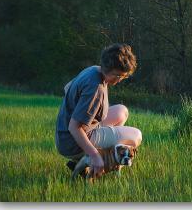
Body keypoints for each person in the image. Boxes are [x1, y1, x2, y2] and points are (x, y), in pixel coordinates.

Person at [55, 43, 142, 179]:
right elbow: (74, 127)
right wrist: (95, 155)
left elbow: (67, 88)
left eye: (123, 77)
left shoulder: (94, 70)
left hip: (65, 135)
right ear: (110, 69)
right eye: (118, 76)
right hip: (72, 142)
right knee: (136, 136)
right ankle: (96, 160)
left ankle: (96, 157)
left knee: (121, 111)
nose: (119, 80)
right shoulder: (95, 89)